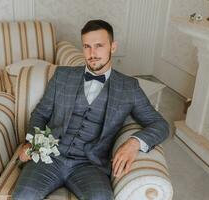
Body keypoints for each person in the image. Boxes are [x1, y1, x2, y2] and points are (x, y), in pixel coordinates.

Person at [12, 19, 169, 200]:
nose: (92, 53)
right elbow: (40, 114)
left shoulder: (129, 87)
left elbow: (160, 124)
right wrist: (33, 144)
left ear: (113, 47)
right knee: (23, 195)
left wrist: (134, 143)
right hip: (49, 157)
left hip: (89, 165)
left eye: (99, 46)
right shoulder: (62, 76)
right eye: (87, 46)